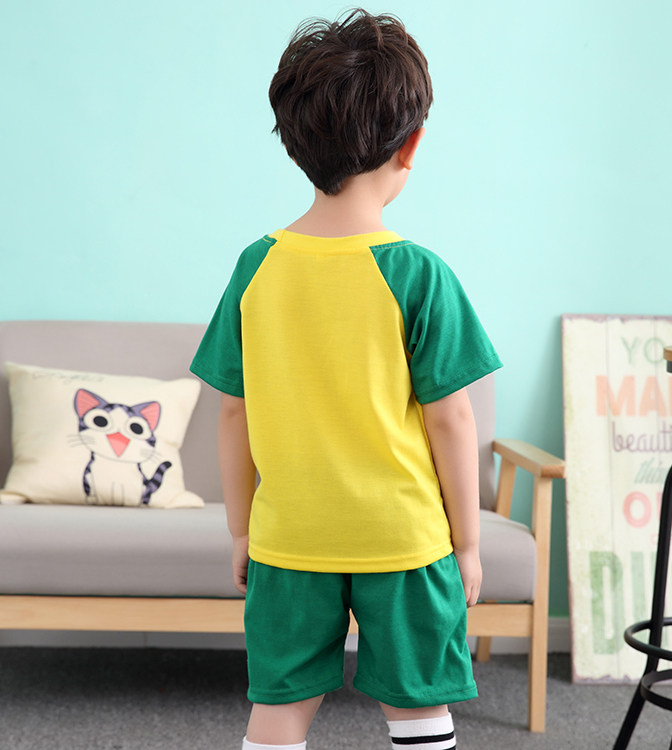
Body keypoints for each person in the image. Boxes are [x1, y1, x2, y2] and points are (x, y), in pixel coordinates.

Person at [190, 9, 502, 750]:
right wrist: (466, 543)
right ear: (412, 144)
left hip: (289, 538)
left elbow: (231, 413)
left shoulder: (256, 266)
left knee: (279, 708)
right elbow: (452, 419)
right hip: (404, 539)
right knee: (419, 710)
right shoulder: (418, 273)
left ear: (295, 142)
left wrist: (241, 529)